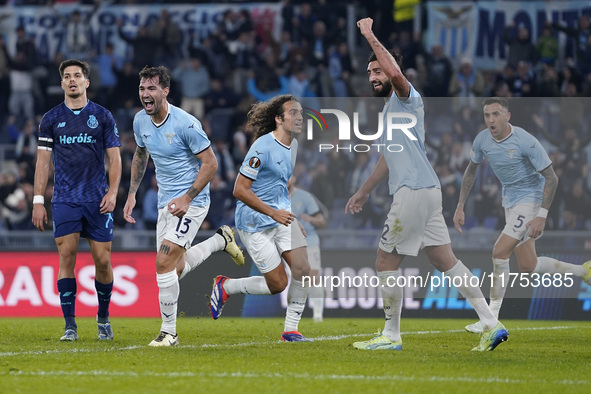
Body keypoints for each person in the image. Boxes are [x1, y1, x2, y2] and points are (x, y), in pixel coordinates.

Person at [346, 18, 507, 352]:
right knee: (444, 260)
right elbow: (388, 159)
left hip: (413, 193)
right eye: (370, 73)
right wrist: (364, 191)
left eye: (378, 71)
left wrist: (369, 35)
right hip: (427, 192)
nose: (374, 77)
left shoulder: (406, 97)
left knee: (384, 263)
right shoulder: (390, 111)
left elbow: (395, 74)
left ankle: (391, 335)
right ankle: (491, 323)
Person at [123, 66, 244, 347]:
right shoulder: (140, 120)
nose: (145, 94)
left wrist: (188, 198)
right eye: (142, 89)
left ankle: (169, 333)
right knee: (172, 271)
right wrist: (131, 194)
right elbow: (141, 155)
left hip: (193, 201)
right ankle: (219, 241)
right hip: (167, 202)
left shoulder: (186, 124)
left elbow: (211, 163)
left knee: (162, 263)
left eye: (151, 88)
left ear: (166, 91)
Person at [453, 97, 591, 333]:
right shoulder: (482, 140)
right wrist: (460, 204)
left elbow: (552, 177)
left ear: (507, 116)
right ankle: (584, 271)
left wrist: (542, 215)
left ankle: (490, 318)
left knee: (499, 252)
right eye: (487, 115)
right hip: (510, 201)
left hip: (531, 200)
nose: (490, 119)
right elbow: (471, 170)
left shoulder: (525, 140)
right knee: (528, 265)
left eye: (496, 114)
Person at [208, 94, 313, 342]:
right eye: (293, 113)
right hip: (254, 223)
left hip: (280, 217)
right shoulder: (262, 147)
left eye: (301, 113)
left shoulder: (293, 146)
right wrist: (273, 212)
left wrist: (289, 214)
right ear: (278, 119)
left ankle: (290, 331)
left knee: (304, 269)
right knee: (278, 284)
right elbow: (239, 189)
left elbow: (282, 184)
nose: (299, 118)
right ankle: (226, 286)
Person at [32, 59, 122, 342]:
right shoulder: (50, 119)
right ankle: (70, 325)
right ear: (62, 84)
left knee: (103, 261)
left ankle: (103, 318)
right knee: (66, 256)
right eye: (67, 76)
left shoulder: (103, 116)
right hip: (65, 199)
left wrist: (113, 191)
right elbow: (42, 162)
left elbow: (115, 157)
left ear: (87, 82)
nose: (72, 80)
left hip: (97, 199)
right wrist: (37, 200)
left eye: (77, 76)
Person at [288, 175, 327, 322]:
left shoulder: (304, 196)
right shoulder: (276, 196)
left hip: (308, 240)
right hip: (287, 242)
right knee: (292, 280)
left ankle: (318, 315)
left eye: (289, 176)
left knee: (313, 277)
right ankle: (293, 314)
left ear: (294, 178)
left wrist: (310, 219)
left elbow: (321, 220)